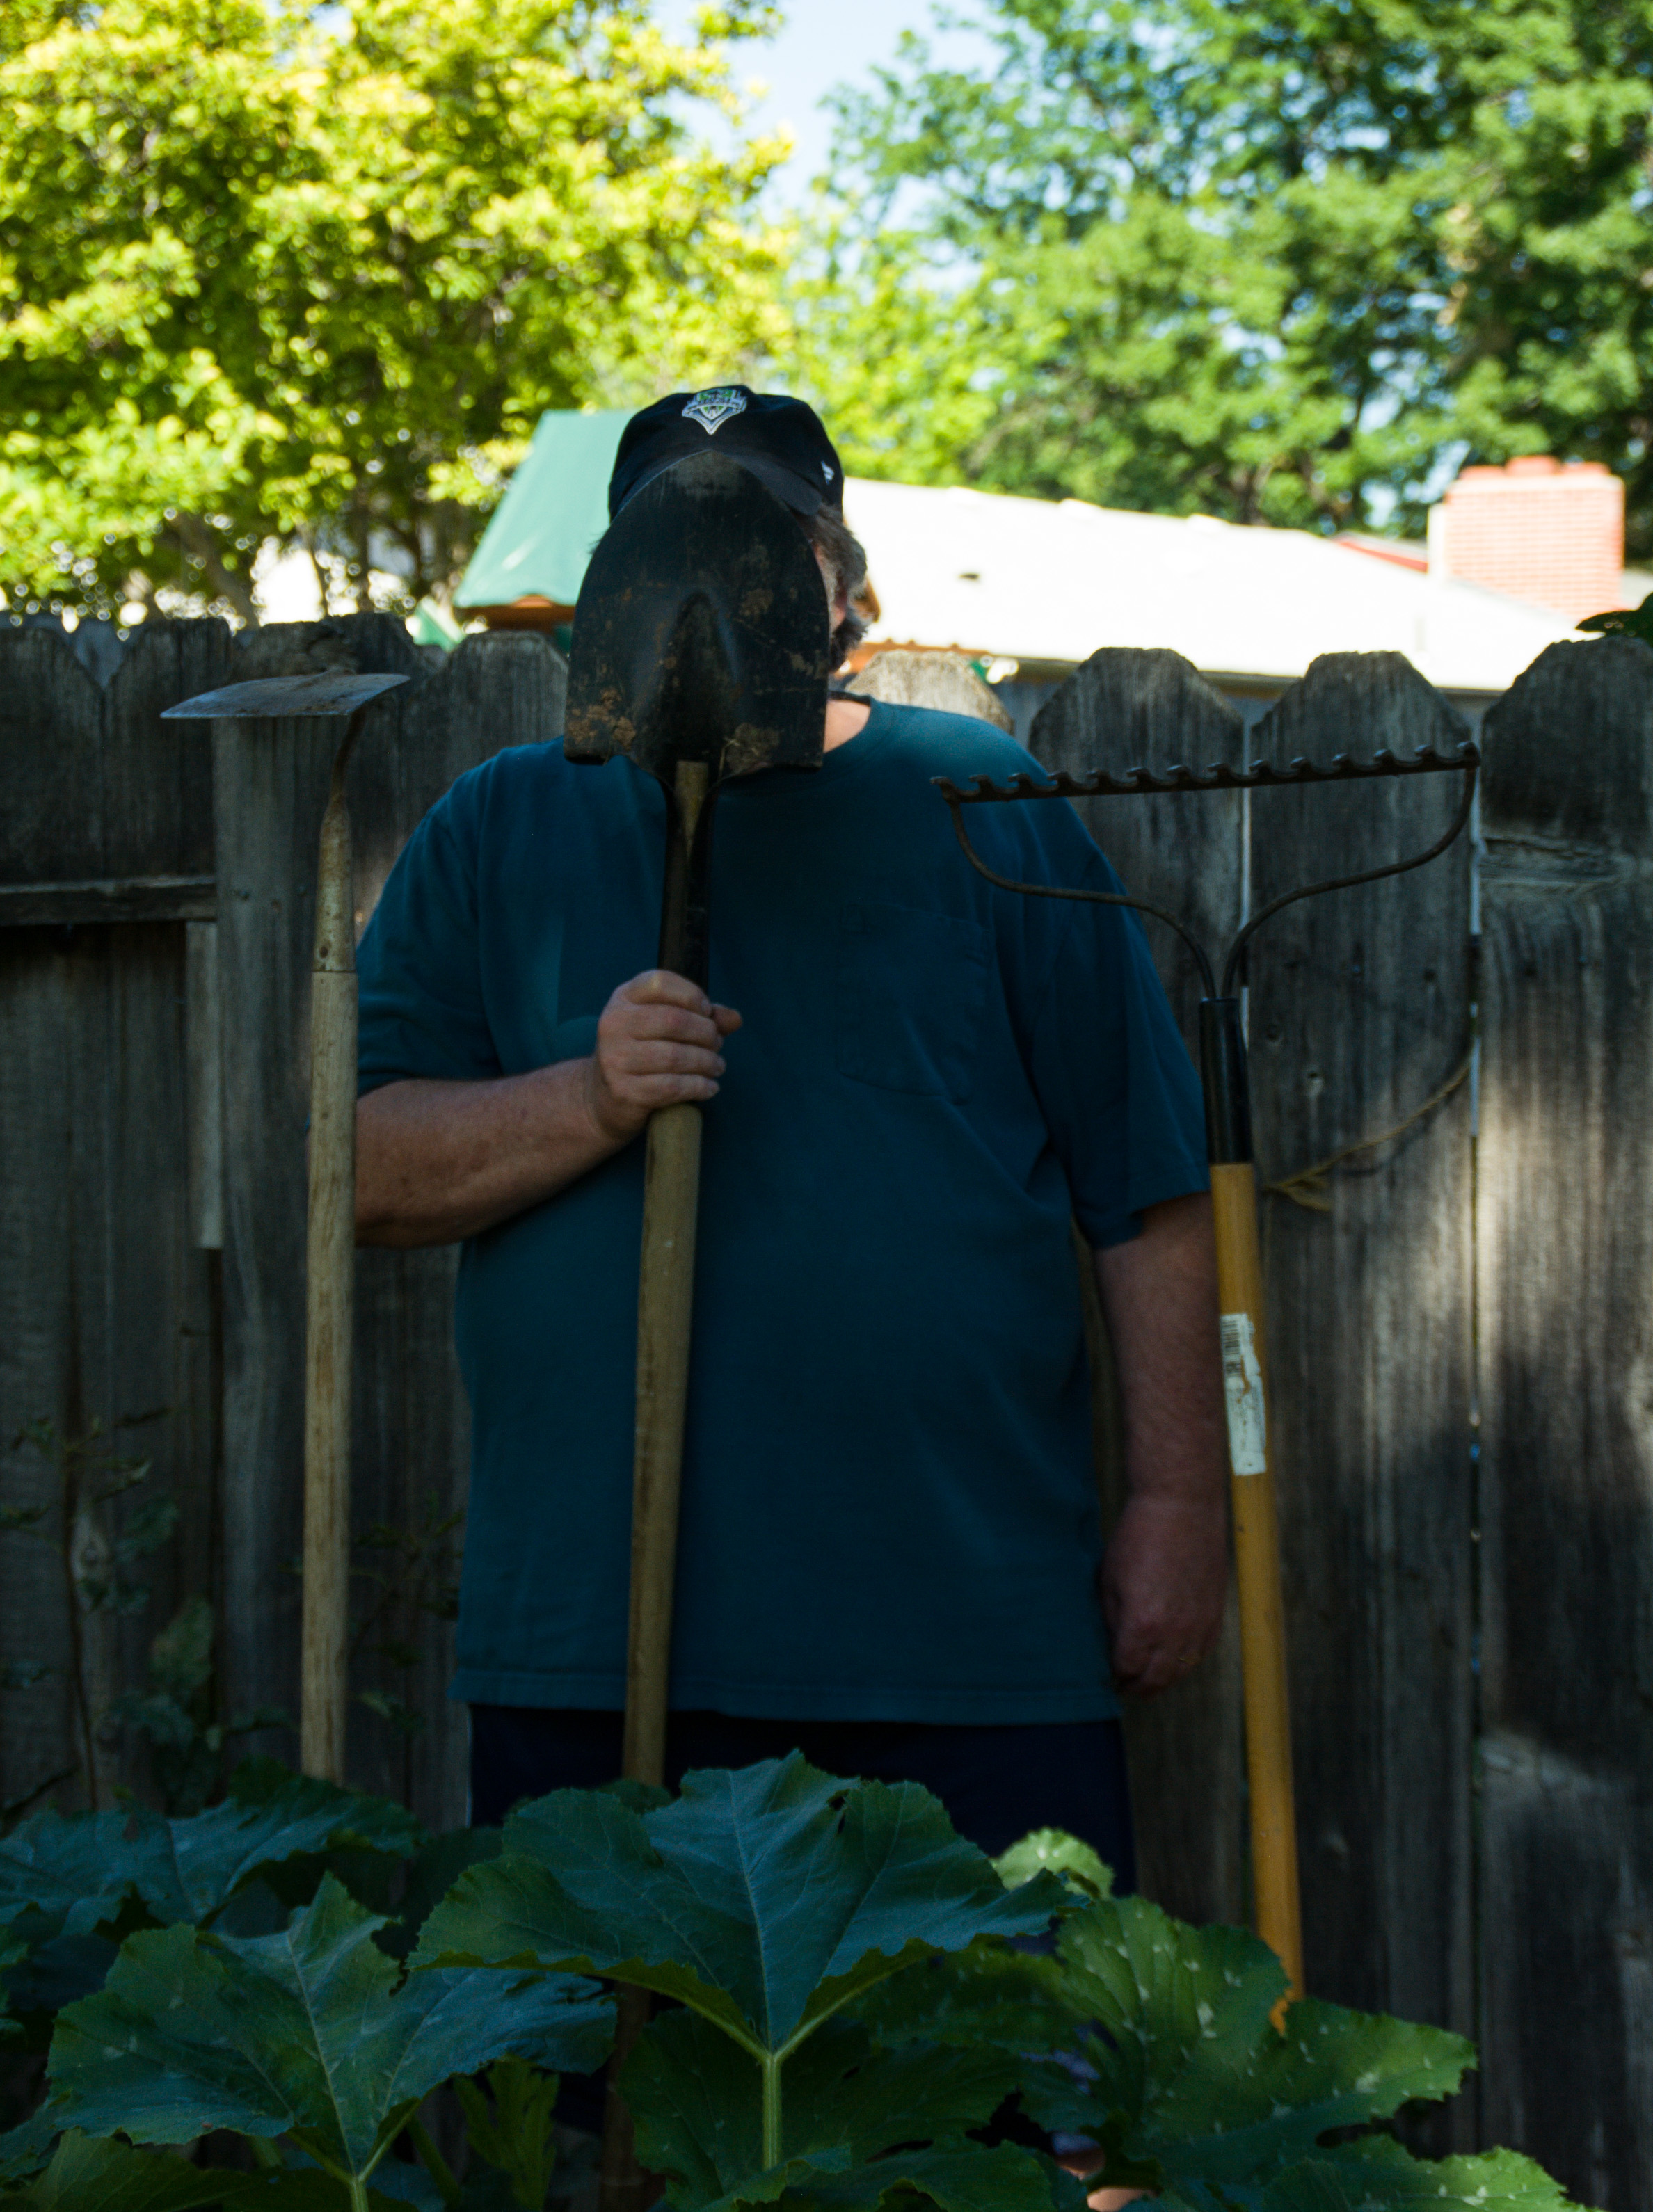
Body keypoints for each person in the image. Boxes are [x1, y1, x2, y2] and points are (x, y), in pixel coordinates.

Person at [353, 386, 1228, 1878]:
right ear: (602, 590)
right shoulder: (500, 824)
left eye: (772, 536)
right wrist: (591, 1094)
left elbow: (1141, 1185)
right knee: (617, 2105)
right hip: (597, 1642)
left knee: (995, 2103)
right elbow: (362, 1170)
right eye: (668, 535)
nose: (720, 570)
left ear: (849, 590)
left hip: (960, 1633)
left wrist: (1177, 1501)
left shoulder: (981, 802)